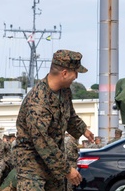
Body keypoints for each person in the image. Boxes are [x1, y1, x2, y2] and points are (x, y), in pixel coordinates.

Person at [15, 49, 95, 191]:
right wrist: (66, 169)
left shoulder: (64, 91)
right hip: (32, 166)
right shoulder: (38, 101)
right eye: (75, 72)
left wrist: (83, 129)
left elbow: (69, 115)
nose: (76, 76)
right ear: (64, 73)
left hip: (53, 164)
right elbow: (42, 141)